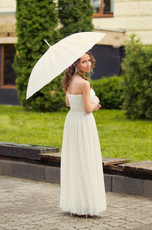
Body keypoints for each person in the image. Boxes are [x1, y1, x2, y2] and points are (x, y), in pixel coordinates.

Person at [60, 51, 106, 217]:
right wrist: (96, 102)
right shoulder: (84, 84)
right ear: (75, 64)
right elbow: (88, 109)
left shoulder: (70, 80)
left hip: (72, 121)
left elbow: (68, 103)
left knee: (75, 160)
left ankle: (76, 203)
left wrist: (87, 104)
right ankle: (86, 205)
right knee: (85, 159)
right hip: (84, 123)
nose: (88, 64)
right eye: (83, 62)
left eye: (89, 61)